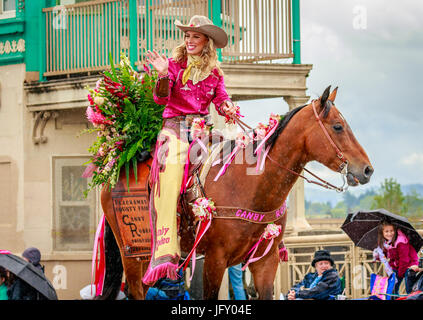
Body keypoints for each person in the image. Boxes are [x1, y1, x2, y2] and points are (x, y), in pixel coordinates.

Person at [142, 15, 239, 285]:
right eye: (187, 36)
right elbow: (161, 98)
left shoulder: (215, 73)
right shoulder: (173, 66)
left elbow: (221, 99)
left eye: (196, 36)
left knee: (231, 160)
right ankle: (165, 251)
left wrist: (229, 108)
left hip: (202, 134)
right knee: (170, 172)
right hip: (173, 131)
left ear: (206, 41)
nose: (190, 40)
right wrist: (162, 75)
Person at [376, 221, 419, 295]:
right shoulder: (388, 242)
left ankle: (412, 296)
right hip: (398, 265)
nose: (389, 233)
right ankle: (394, 296)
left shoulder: (400, 242)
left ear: (395, 231)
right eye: (386, 231)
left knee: (409, 288)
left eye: (391, 231)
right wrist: (379, 256)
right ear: (382, 233)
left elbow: (404, 259)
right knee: (392, 287)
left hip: (409, 265)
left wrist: (400, 273)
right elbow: (389, 253)